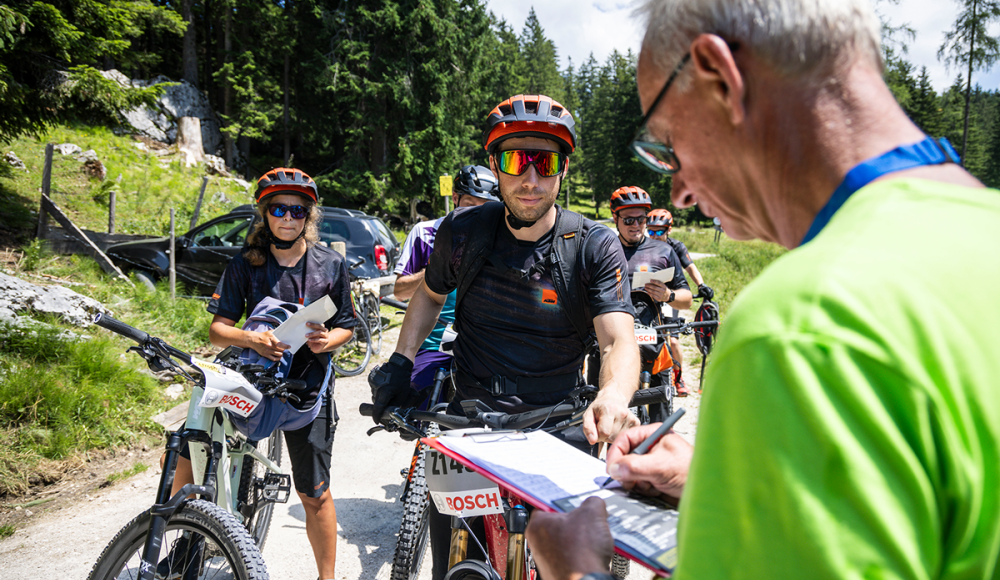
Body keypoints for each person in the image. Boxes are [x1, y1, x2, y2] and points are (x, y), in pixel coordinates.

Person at [525, 1, 1000, 579]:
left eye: (669, 144)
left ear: (720, 77)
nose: (677, 191)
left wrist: (577, 572)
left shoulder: (802, 325)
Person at [369, 94, 640, 580]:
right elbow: (430, 295)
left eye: (545, 161)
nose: (530, 178)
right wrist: (401, 362)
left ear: (563, 169)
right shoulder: (463, 232)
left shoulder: (594, 246)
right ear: (496, 164)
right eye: (517, 161)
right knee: (453, 567)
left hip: (558, 423)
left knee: (581, 570)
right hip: (468, 423)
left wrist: (614, 394)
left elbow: (618, 339)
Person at [206, 167, 355, 580]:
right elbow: (218, 331)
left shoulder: (331, 264)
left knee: (314, 494)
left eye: (297, 210)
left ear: (309, 216)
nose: (287, 218)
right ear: (264, 215)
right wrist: (251, 340)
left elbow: (346, 324)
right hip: (253, 380)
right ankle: (185, 538)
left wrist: (330, 340)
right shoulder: (245, 264)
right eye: (278, 210)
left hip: (308, 387)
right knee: (192, 446)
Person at [392, 165, 499, 399]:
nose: (476, 215)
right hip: (431, 344)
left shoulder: (500, 239)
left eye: (486, 208)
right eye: (470, 205)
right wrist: (437, 269)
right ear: (455, 198)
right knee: (419, 409)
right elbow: (399, 291)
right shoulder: (425, 232)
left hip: (479, 346)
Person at [610, 187, 693, 399]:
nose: (636, 226)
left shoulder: (664, 252)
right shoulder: (603, 250)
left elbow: (687, 300)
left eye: (642, 220)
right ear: (615, 218)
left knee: (660, 419)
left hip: (652, 341)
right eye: (629, 220)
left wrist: (668, 295)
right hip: (611, 341)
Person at [647, 208, 713, 392]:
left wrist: (701, 285)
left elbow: (690, 267)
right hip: (646, 298)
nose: (654, 235)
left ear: (669, 230)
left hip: (669, 297)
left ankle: (678, 377)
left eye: (659, 231)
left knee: (673, 342)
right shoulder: (643, 246)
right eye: (650, 231)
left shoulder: (676, 247)